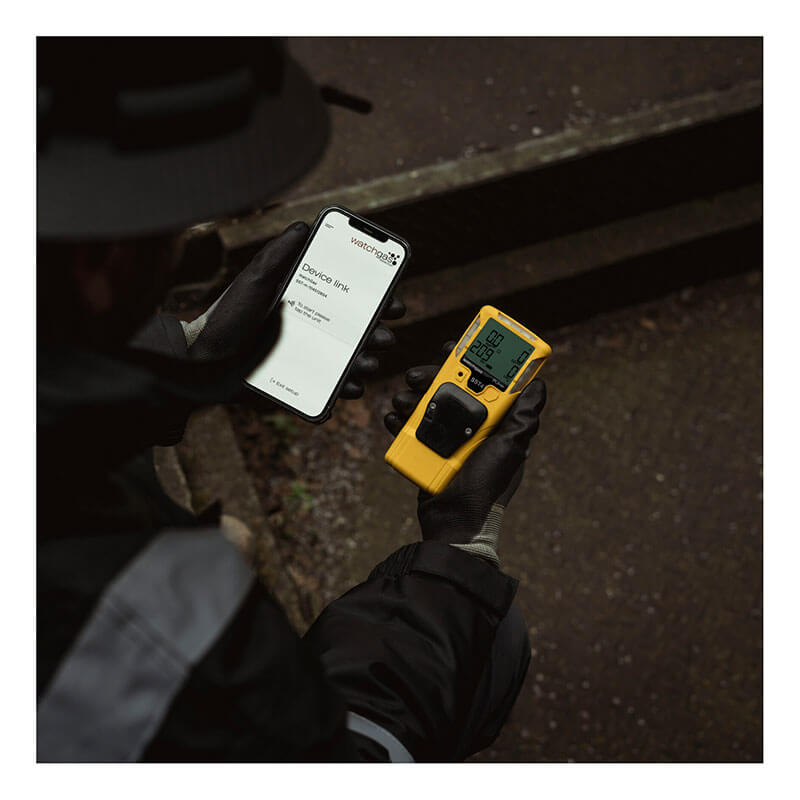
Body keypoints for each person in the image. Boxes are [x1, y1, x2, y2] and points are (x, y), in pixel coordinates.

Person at [37, 37, 547, 762]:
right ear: (97, 263)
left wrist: (178, 356)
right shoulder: (142, 624)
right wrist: (457, 558)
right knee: (494, 644)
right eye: (180, 238)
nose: (186, 250)